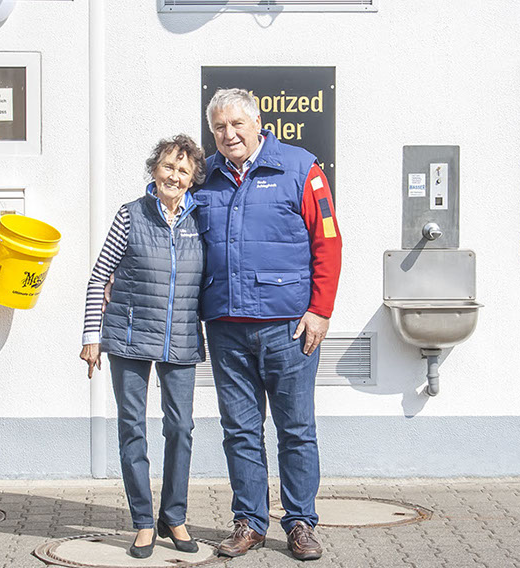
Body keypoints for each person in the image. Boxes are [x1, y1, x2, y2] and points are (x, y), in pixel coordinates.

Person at [196, 88, 343, 561]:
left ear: (258, 123)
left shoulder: (301, 169)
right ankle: (250, 522)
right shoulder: (205, 176)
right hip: (226, 327)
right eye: (219, 127)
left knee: (295, 429)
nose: (229, 134)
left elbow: (328, 241)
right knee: (239, 430)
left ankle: (300, 522)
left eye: (236, 124)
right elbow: (168, 224)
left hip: (289, 328)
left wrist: (320, 310)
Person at [80, 135, 207, 559]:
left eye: (183, 170)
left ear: (193, 178)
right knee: (132, 427)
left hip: (181, 336)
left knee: (181, 428)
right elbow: (100, 276)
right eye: (168, 166)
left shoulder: (200, 218)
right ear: (154, 169)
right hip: (129, 337)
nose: (175, 176)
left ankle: (173, 516)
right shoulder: (130, 215)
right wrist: (91, 336)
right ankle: (142, 521)